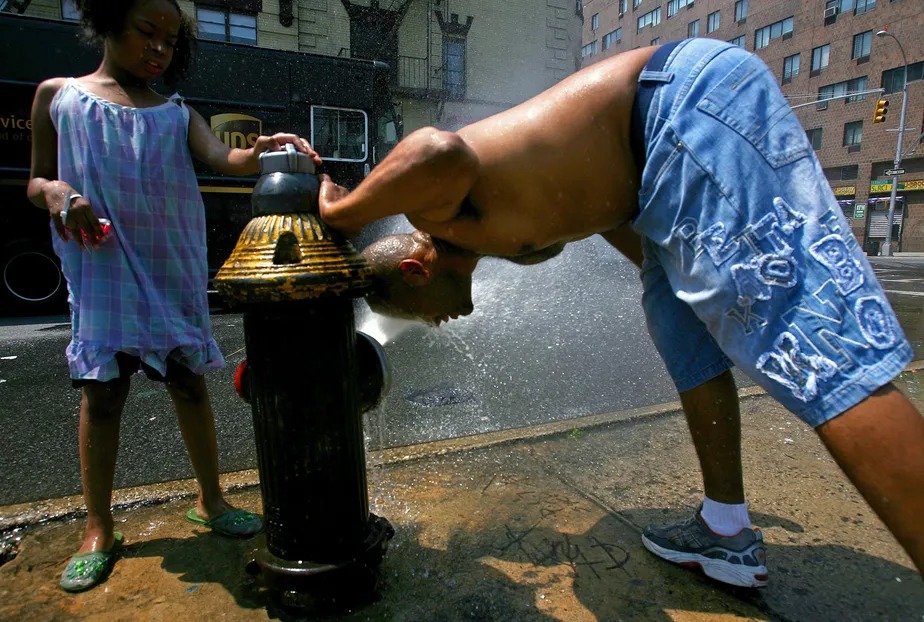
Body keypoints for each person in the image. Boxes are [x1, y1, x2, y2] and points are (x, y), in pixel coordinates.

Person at [317, 38, 924, 587]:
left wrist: (344, 215)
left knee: (813, 349)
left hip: (679, 113)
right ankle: (726, 530)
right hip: (652, 182)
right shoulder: (477, 233)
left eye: (419, 315)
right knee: (678, 328)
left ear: (416, 271)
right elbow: (592, 203)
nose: (434, 325)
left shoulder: (434, 211)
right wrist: (663, 275)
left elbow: (435, 147)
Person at [27, 0, 321, 592]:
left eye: (169, 40)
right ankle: (98, 527)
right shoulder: (57, 97)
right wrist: (59, 193)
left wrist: (264, 149)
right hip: (103, 261)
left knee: (189, 383)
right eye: (146, 32)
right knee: (103, 394)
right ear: (107, 24)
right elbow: (35, 181)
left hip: (170, 265)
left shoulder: (176, 111)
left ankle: (210, 500)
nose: (158, 48)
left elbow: (225, 157)